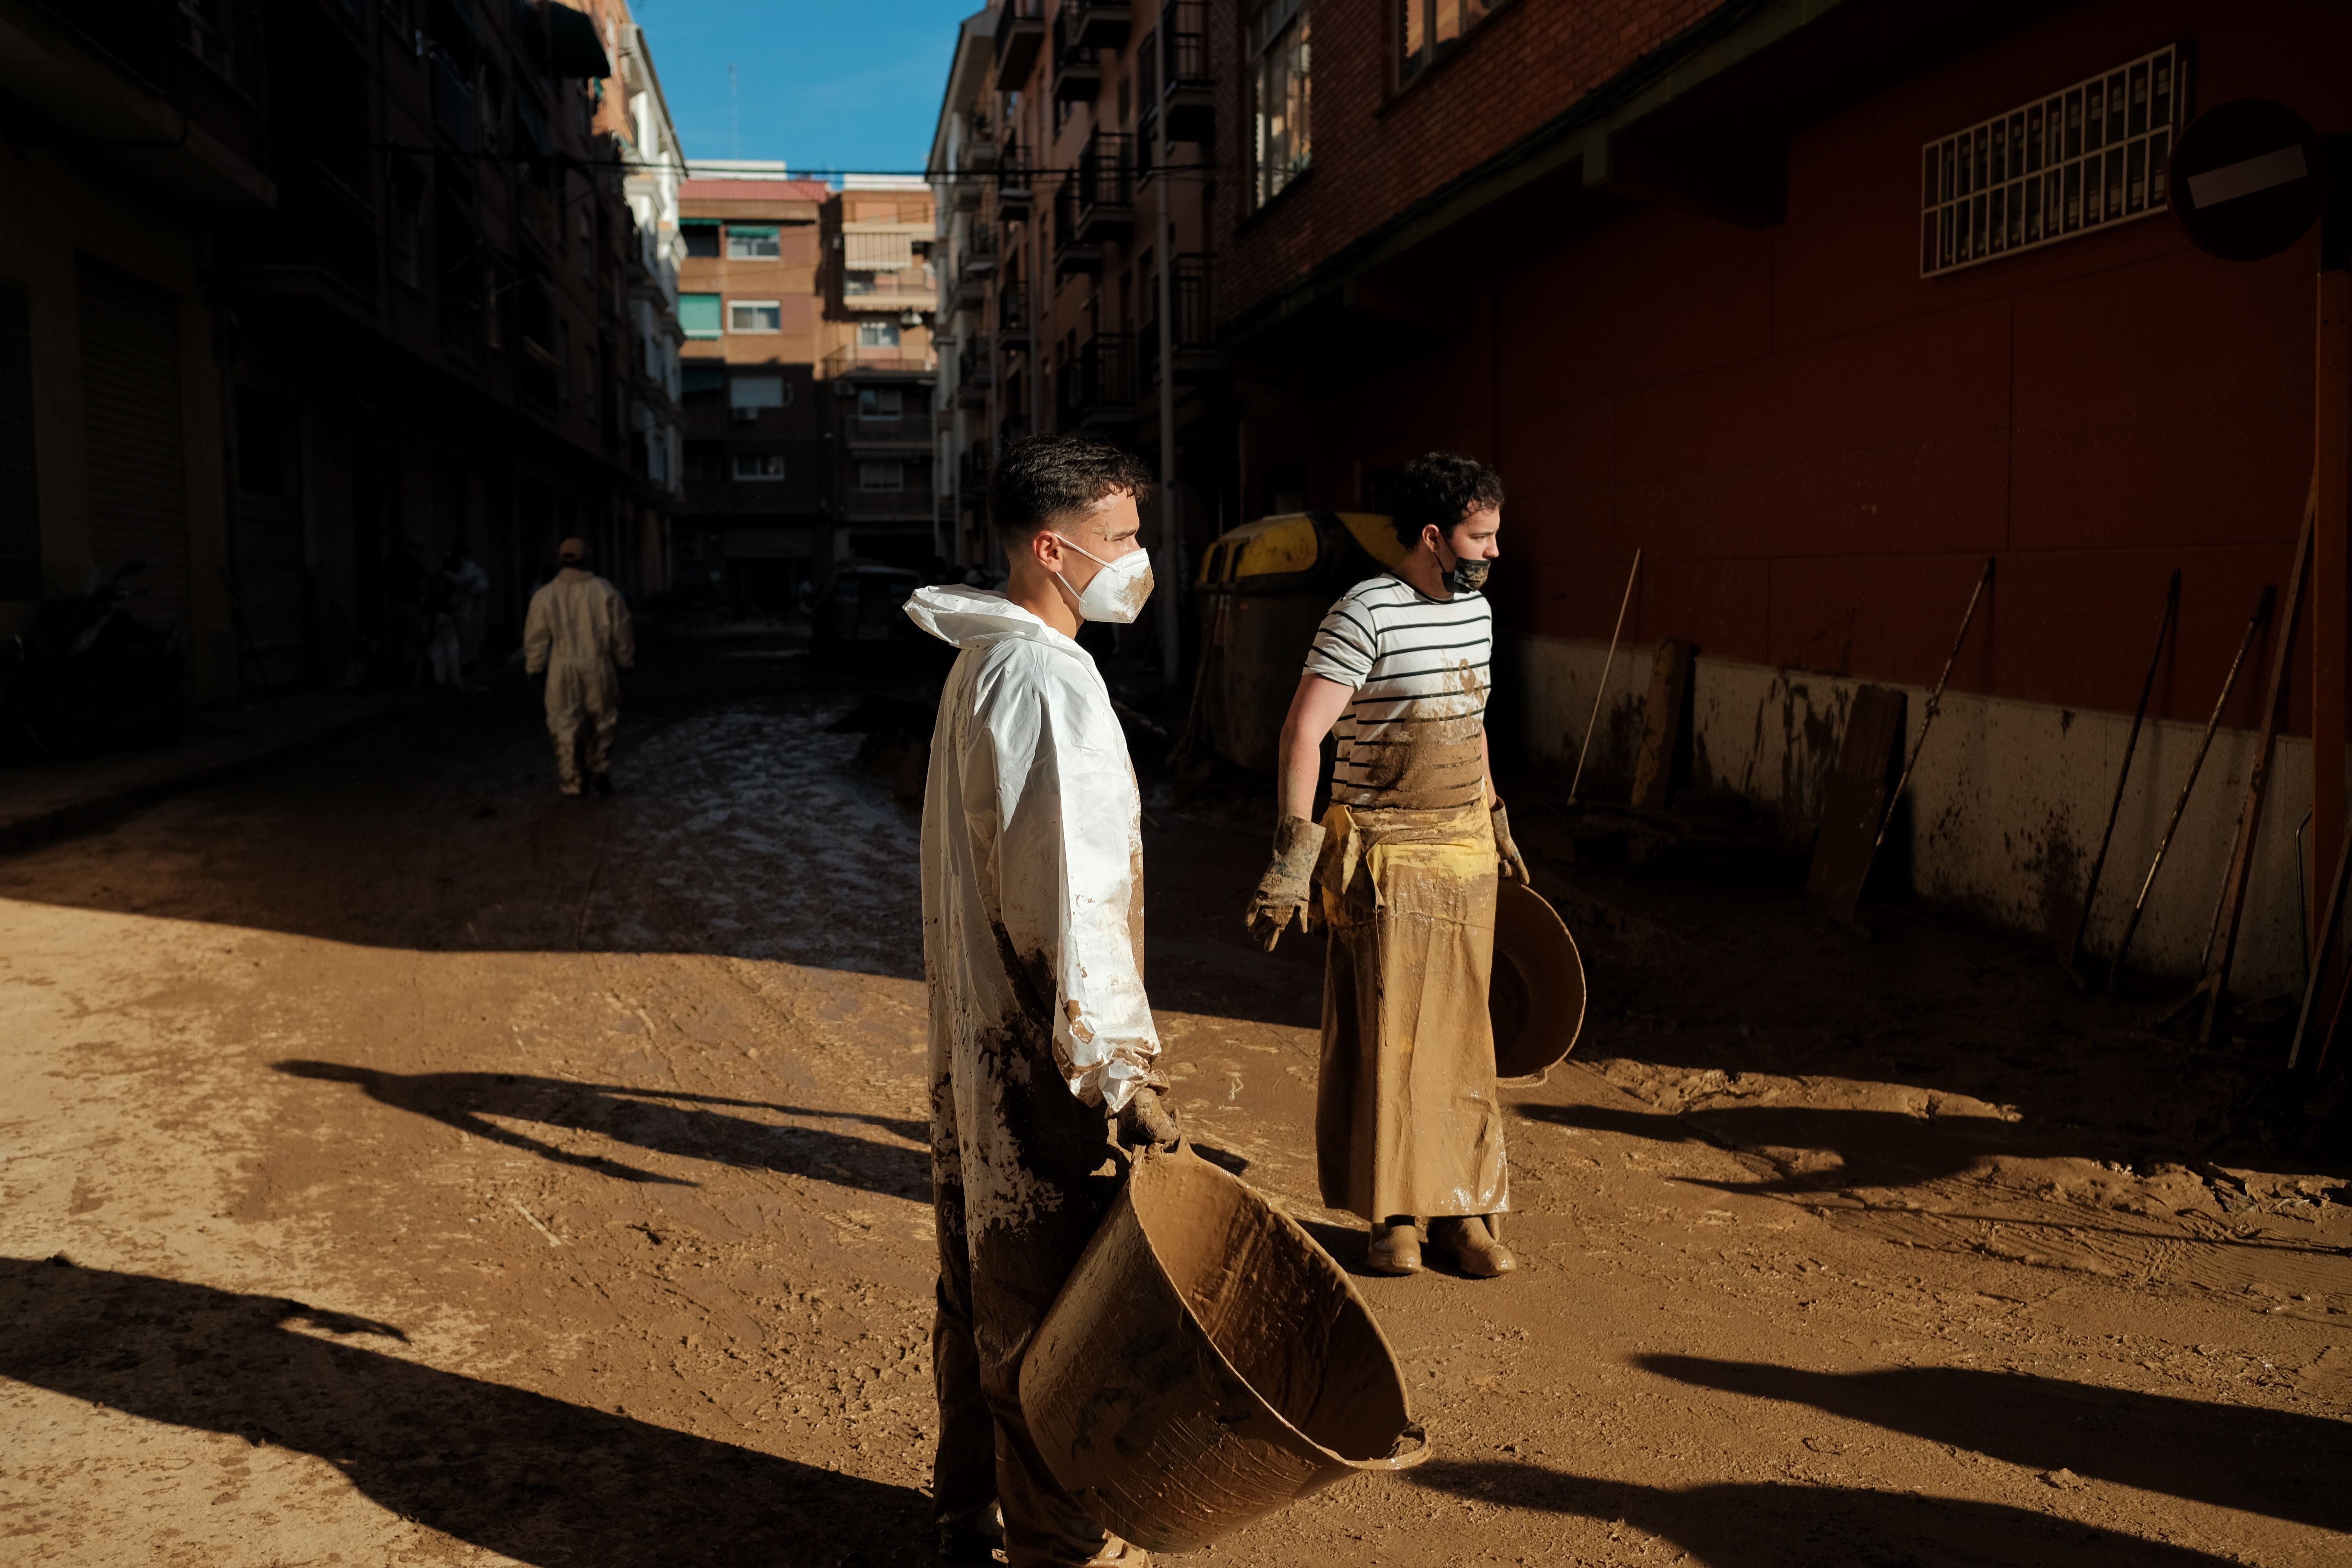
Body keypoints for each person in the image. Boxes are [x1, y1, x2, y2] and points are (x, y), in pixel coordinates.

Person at [904, 435, 1180, 1568]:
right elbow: (1071, 895)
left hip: (986, 1038)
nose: (1140, 561)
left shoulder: (985, 663)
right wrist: (1120, 1073)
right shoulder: (1044, 681)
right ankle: (1059, 1543)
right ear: (1052, 549)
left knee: (982, 1274)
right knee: (1048, 1301)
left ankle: (969, 1504)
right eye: (1120, 541)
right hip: (1039, 1053)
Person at [1244, 452, 1528, 1280]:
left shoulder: (1476, 615)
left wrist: (1498, 812)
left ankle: (1463, 1209)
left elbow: (1468, 716)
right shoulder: (1364, 612)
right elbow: (1304, 731)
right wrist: (1293, 858)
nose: (1495, 552)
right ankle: (1393, 1214)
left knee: (1464, 1042)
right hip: (1384, 860)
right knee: (1391, 1040)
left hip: (1463, 852)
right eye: (1483, 537)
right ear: (1436, 538)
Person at [522, 537, 634, 797]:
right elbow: (621, 629)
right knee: (604, 719)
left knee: (564, 722)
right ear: (588, 559)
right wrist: (626, 661)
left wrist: (535, 667)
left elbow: (536, 637)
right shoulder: (605, 590)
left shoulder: (545, 595)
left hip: (561, 666)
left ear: (560, 559)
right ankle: (600, 769)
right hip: (598, 663)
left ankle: (573, 780)